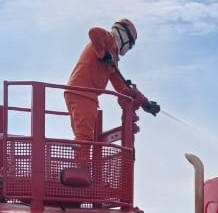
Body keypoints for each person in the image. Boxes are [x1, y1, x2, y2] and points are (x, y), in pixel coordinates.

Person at [64, 19, 160, 148]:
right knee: (84, 137)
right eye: (130, 45)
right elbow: (93, 32)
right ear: (125, 37)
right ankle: (82, 167)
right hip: (83, 94)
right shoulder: (108, 40)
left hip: (80, 94)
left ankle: (81, 164)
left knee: (84, 135)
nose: (129, 48)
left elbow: (122, 88)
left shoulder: (112, 60)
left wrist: (145, 103)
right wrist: (103, 54)